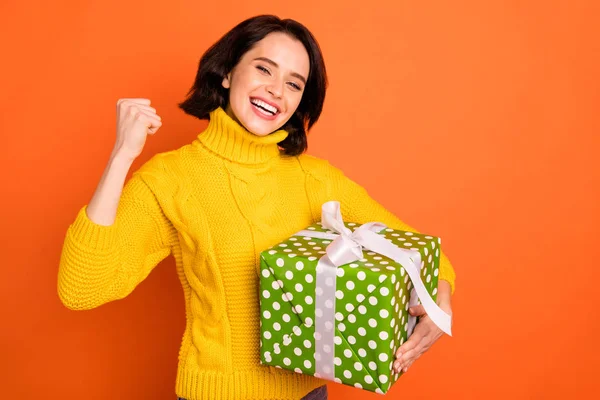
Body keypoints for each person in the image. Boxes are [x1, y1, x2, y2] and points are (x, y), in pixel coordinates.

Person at [57, 15, 456, 400]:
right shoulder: (171, 178)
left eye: (294, 83)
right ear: (228, 73)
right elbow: (81, 287)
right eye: (264, 69)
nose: (276, 91)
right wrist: (122, 155)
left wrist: (439, 305)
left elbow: (419, 252)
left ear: (301, 101)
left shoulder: (317, 179)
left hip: (308, 395)